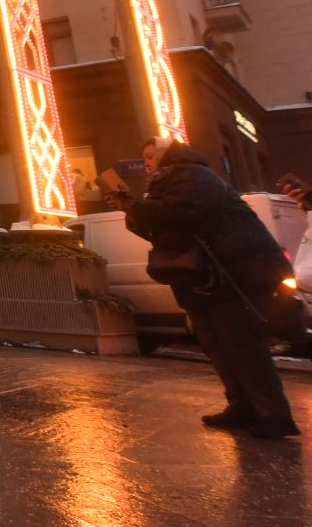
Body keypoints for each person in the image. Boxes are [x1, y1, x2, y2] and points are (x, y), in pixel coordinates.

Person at [123, 137, 298, 439]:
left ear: (168, 155)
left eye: (151, 156)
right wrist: (132, 209)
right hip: (207, 275)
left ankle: (274, 413)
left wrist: (135, 205)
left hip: (234, 272)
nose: (146, 163)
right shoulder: (170, 181)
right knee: (218, 343)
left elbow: (182, 211)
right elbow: (160, 225)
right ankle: (243, 406)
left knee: (242, 343)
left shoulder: (192, 174)